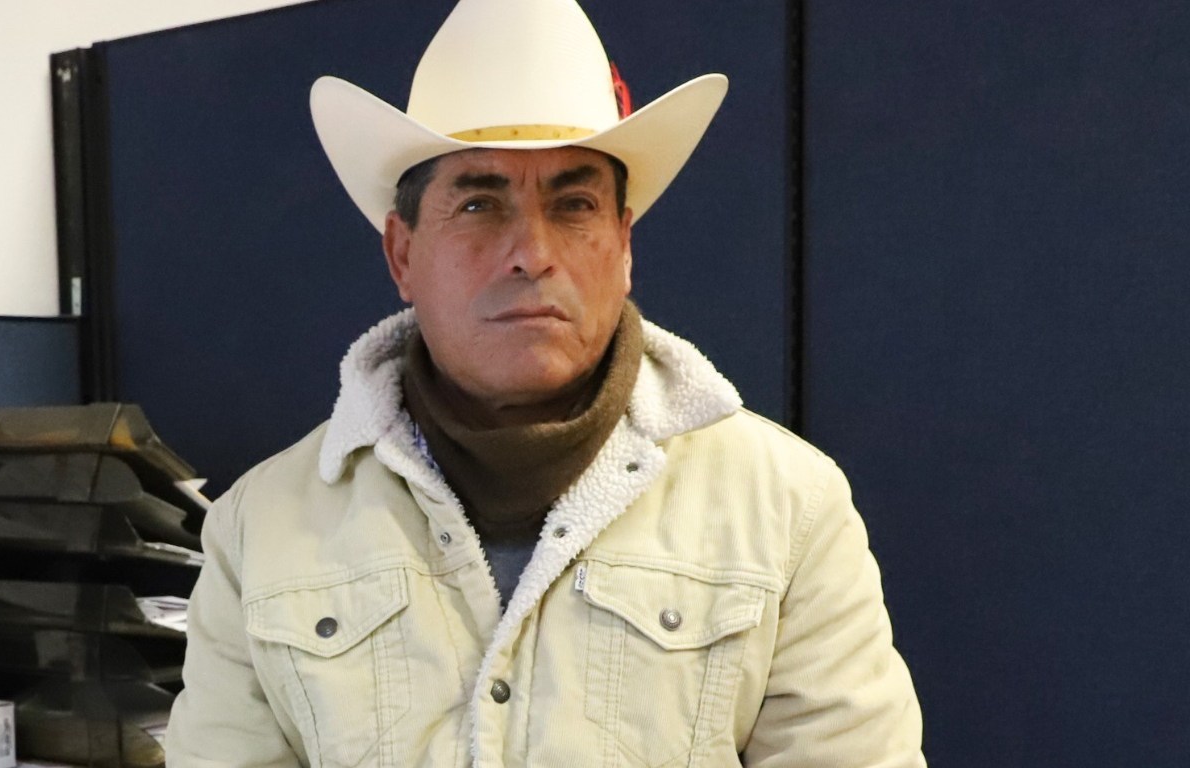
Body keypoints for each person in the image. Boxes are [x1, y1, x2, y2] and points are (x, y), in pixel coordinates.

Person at [165, 0, 926, 765]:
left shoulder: (789, 511)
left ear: (623, 246)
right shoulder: (257, 532)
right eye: (478, 204)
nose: (532, 252)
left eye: (574, 205)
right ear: (402, 254)